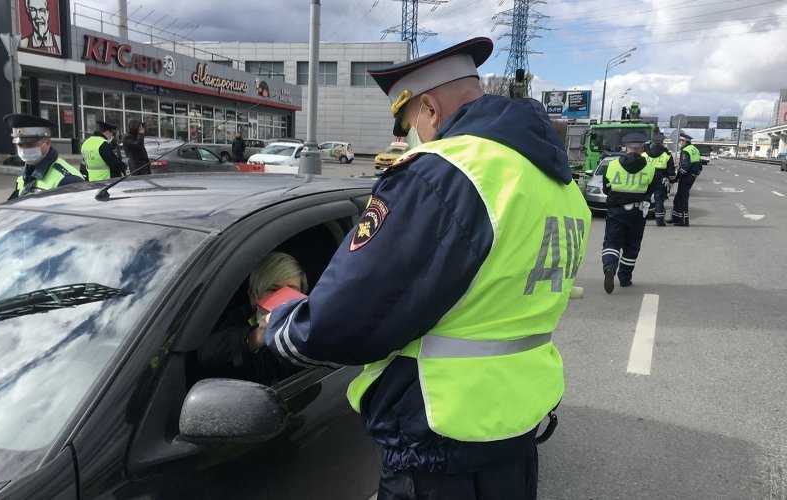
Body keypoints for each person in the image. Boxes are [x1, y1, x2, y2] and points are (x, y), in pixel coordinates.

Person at [252, 37, 592, 499]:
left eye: (409, 123)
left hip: (440, 440)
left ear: (429, 108)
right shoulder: (556, 183)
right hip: (514, 428)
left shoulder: (447, 171)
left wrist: (278, 325)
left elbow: (347, 316)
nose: (410, 138)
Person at [197, 252, 307, 385]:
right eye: (273, 290)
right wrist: (257, 337)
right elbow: (207, 355)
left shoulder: (310, 325)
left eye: (291, 291)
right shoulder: (239, 320)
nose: (282, 299)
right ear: (253, 296)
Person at [601, 132, 656, 293]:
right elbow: (651, 190)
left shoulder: (612, 165)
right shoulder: (650, 169)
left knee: (611, 242)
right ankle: (625, 278)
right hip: (638, 212)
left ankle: (610, 267)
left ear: (626, 147)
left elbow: (606, 188)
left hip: (616, 211)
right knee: (631, 246)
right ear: (642, 148)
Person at [5, 113, 83, 200]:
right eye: (20, 145)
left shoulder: (68, 180)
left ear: (48, 143)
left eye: (30, 145)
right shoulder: (26, 173)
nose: (24, 150)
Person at [667, 132, 701, 226]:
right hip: (691, 176)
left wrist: (676, 178)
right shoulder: (695, 149)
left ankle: (684, 221)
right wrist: (694, 175)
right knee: (678, 198)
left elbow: (685, 167)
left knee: (682, 199)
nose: (679, 142)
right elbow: (699, 165)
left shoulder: (685, 151)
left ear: (685, 141)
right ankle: (675, 218)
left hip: (686, 177)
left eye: (680, 141)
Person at [642, 133, 676, 227]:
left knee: (644, 199)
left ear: (652, 143)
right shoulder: (667, 155)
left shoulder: (644, 154)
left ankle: (642, 220)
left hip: (646, 178)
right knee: (659, 200)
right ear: (662, 143)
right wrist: (672, 181)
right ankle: (659, 221)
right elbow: (671, 171)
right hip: (660, 179)